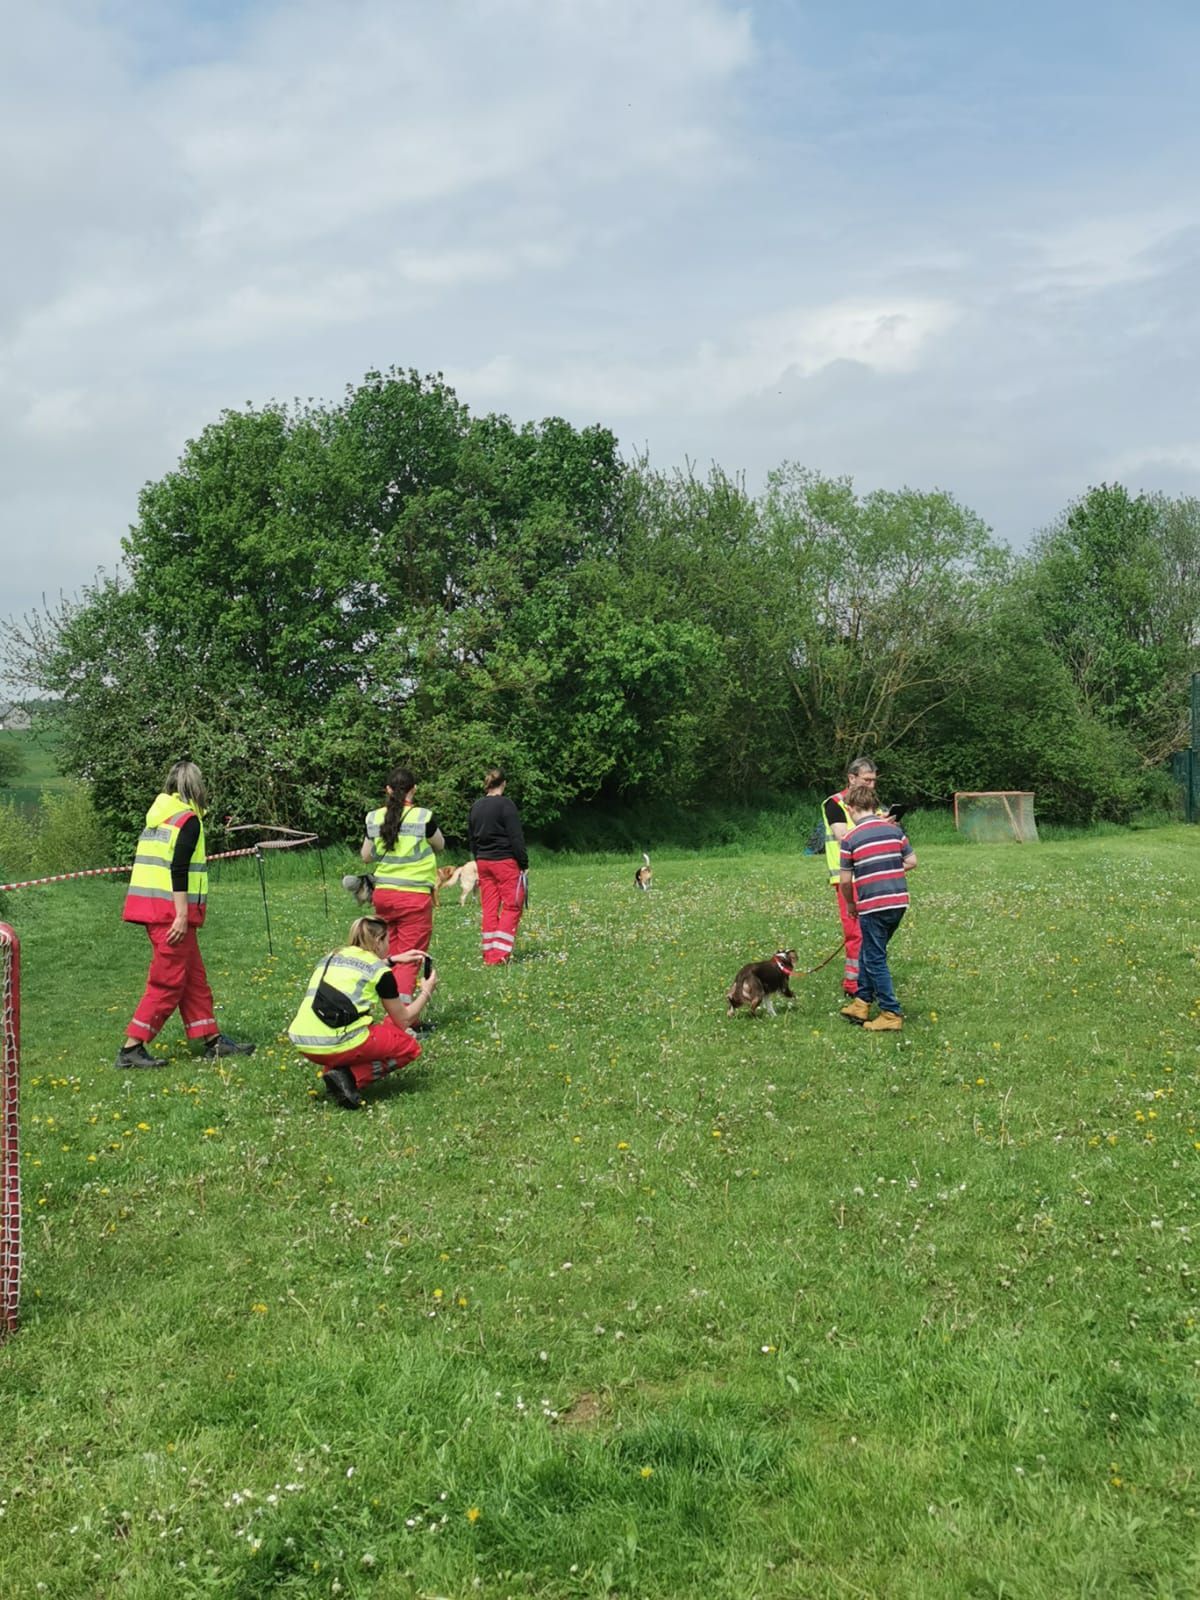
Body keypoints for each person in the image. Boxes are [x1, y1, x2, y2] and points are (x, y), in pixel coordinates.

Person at [115, 760, 255, 1068]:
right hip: (171, 915)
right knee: (167, 982)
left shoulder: (159, 818)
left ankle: (212, 1040)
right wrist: (181, 914)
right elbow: (178, 869)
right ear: (197, 788)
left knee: (193, 979)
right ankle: (131, 1048)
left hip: (154, 909)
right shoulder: (187, 821)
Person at [288, 917, 437, 1109]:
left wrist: (392, 960)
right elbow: (404, 1020)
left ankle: (336, 1072)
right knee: (408, 1046)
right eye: (388, 940)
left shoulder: (333, 955)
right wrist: (426, 991)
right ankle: (350, 1078)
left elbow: (361, 966)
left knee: (364, 1034)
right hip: (338, 1041)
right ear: (378, 941)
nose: (389, 946)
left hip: (304, 1041)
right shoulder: (380, 972)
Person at [360, 767, 444, 1007]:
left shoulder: (373, 818)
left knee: (390, 954)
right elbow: (440, 845)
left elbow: (366, 856)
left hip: (384, 895)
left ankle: (388, 1005)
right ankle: (404, 1016)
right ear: (414, 789)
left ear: (387, 790)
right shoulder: (422, 817)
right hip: (413, 896)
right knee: (410, 956)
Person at [838, 782, 918, 1032]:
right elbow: (912, 861)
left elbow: (845, 881)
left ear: (851, 808)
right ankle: (861, 1003)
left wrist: (850, 903)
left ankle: (890, 1013)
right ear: (874, 806)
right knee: (870, 950)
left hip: (873, 906)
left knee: (875, 958)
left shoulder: (850, 838)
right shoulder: (894, 831)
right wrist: (889, 868)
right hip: (898, 903)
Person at [821, 756, 882, 998]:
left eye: (874, 781)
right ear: (851, 778)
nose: (871, 785)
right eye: (866, 780)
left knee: (873, 932)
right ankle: (853, 985)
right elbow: (842, 835)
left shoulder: (874, 805)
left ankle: (869, 979)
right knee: (855, 932)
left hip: (872, 875)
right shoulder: (835, 803)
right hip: (848, 878)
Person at [467, 766, 528, 965]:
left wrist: (478, 859)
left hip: (483, 861)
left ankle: (488, 952)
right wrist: (523, 863)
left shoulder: (476, 806)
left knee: (490, 908)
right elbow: (516, 837)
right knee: (512, 905)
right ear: (504, 784)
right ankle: (499, 955)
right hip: (504, 861)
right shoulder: (506, 805)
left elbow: (472, 838)